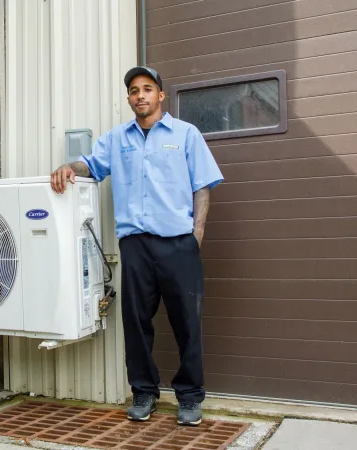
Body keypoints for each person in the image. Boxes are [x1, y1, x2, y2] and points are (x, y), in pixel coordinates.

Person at [50, 66, 223, 426]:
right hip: (136, 246)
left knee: (187, 323)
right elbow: (91, 165)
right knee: (136, 322)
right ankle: (144, 392)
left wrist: (197, 236)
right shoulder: (117, 139)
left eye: (147, 89)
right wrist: (68, 166)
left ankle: (190, 397)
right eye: (133, 90)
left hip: (178, 244)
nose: (140, 95)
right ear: (128, 98)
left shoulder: (186, 135)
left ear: (160, 95)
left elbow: (202, 186)